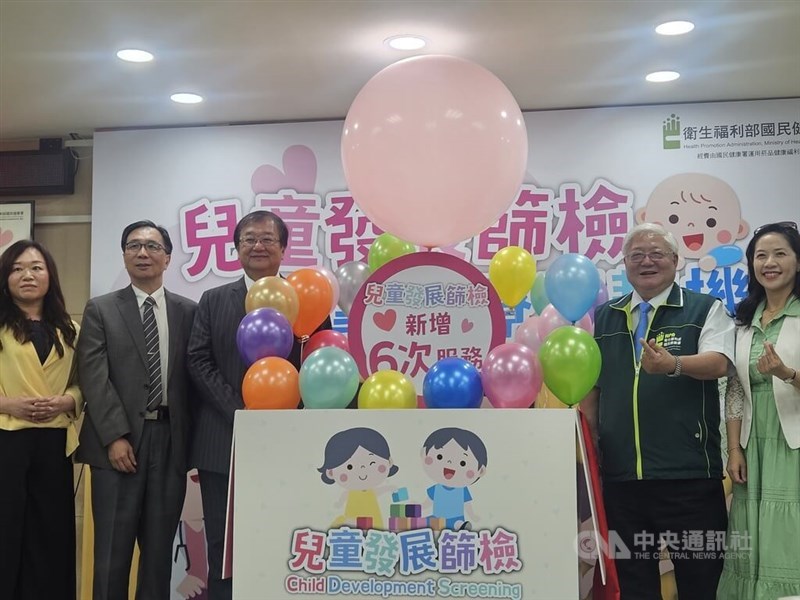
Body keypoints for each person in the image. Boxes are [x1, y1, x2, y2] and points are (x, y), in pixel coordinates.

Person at [581, 222, 734, 600]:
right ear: (625, 264)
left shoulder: (704, 308)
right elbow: (592, 388)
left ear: (676, 261)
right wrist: (589, 447)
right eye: (637, 255)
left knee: (701, 583)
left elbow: (719, 363)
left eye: (656, 254)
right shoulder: (605, 316)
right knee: (634, 585)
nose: (647, 262)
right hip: (622, 481)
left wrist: (674, 365)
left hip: (689, 478)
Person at [187, 210, 331, 599]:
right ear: (236, 249)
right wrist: (240, 412)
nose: (258, 246)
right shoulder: (214, 299)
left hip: (290, 444)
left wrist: (289, 418)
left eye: (268, 239)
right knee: (223, 543)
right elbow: (198, 360)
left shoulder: (308, 299)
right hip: (223, 443)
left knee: (284, 537)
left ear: (284, 249)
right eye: (249, 239)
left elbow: (323, 365)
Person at [76, 220, 197, 600]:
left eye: (152, 246)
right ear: (125, 255)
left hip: (170, 444)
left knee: (159, 555)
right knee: (112, 553)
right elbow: (93, 377)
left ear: (168, 258)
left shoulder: (189, 312)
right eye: (133, 245)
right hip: (118, 447)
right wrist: (114, 436)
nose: (142, 253)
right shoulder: (101, 310)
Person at [717, 221, 800, 599]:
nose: (770, 262)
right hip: (754, 447)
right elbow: (735, 388)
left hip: (793, 446)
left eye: (780, 253)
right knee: (751, 534)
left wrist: (787, 373)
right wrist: (734, 449)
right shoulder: (745, 320)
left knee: (788, 533)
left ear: (797, 262)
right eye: (761, 256)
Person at [0, 240, 82, 600]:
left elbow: (85, 385)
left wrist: (68, 399)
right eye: (17, 268)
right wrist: (8, 405)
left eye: (36, 267)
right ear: (5, 279)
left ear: (50, 276)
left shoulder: (71, 329)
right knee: (6, 530)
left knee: (50, 533)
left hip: (53, 442)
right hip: (7, 439)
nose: (27, 275)